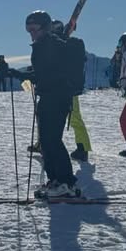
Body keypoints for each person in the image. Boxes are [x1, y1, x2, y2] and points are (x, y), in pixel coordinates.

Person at [24, 10, 78, 199]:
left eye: (33, 29)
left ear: (44, 28)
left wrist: (27, 76)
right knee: (46, 141)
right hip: (48, 97)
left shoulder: (50, 45)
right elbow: (43, 72)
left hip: (57, 98)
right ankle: (55, 179)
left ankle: (66, 182)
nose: (31, 33)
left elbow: (48, 74)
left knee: (53, 139)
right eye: (28, 29)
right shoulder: (42, 45)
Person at [51, 20, 91, 162]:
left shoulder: (62, 44)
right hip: (67, 88)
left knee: (72, 119)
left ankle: (83, 148)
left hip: (64, 89)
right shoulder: (67, 43)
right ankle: (82, 147)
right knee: (70, 118)